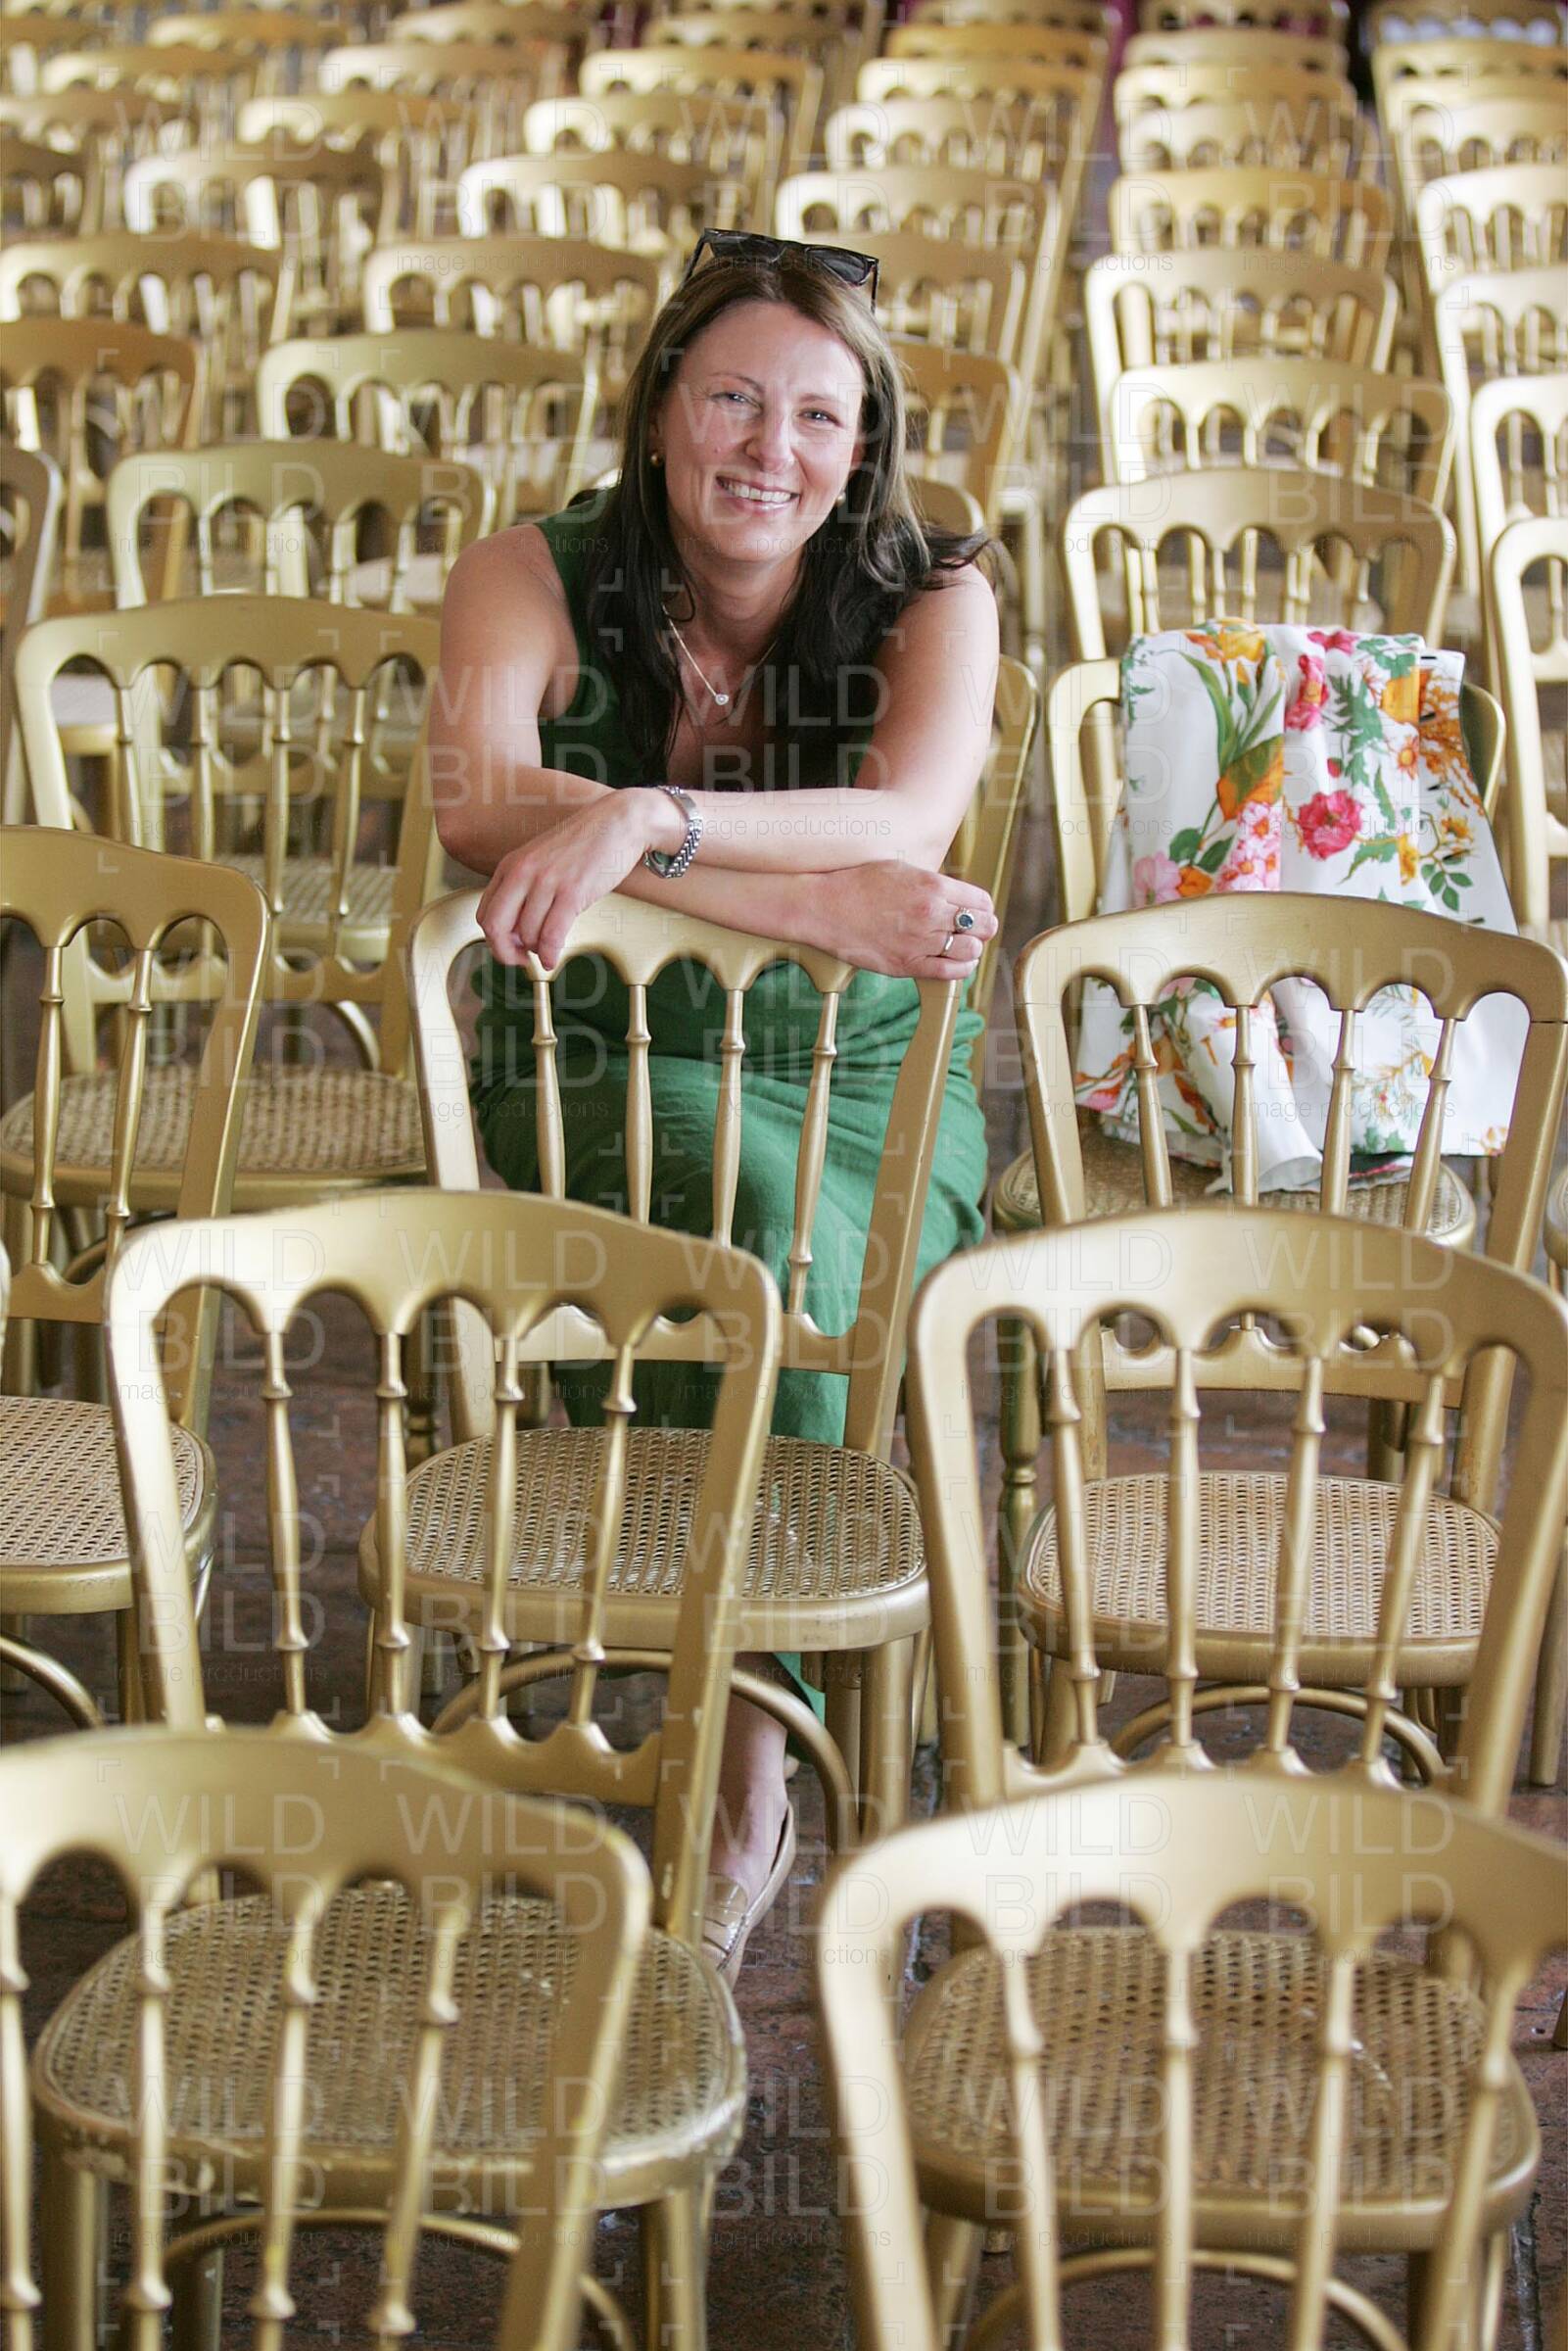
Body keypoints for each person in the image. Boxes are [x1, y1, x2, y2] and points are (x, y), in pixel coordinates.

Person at [430, 230, 1000, 1979]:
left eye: (817, 416)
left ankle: (743, 1729)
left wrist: (638, 824)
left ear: (862, 443)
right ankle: (733, 1710)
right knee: (725, 1203)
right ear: (662, 406)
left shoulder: (934, 588)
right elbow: (475, 805)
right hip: (591, 1042)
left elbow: (907, 825)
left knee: (784, 1215)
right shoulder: (525, 569)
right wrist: (809, 904)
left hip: (855, 1069)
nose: (771, 448)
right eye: (734, 399)